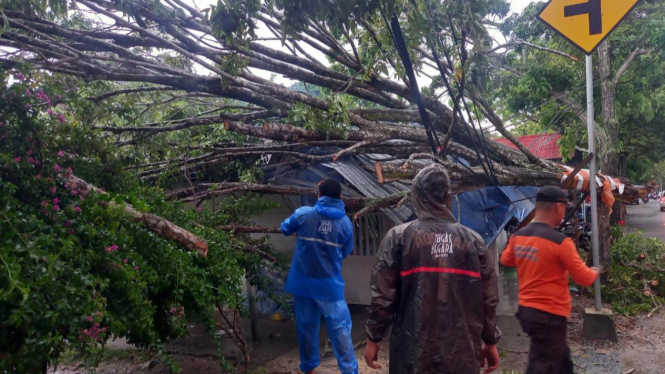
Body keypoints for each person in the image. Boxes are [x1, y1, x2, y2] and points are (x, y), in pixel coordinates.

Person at [364, 164, 501, 374]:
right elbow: (488, 298)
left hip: (411, 352)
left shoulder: (398, 237)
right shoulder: (473, 241)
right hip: (461, 351)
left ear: (416, 195)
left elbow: (383, 296)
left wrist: (374, 338)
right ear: (448, 196)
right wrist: (490, 341)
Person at [500, 186, 601, 374]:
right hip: (549, 316)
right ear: (558, 207)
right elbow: (583, 278)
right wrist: (596, 271)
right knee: (543, 365)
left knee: (561, 361)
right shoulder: (560, 242)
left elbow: (506, 260)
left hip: (528, 312)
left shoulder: (517, 237)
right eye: (565, 206)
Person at [281, 179, 358, 374]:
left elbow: (284, 228)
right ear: (340, 197)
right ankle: (349, 371)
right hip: (330, 287)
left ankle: (309, 369)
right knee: (341, 331)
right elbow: (346, 251)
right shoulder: (345, 223)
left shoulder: (303, 215)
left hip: (303, 284)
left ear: (319, 195)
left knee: (306, 329)